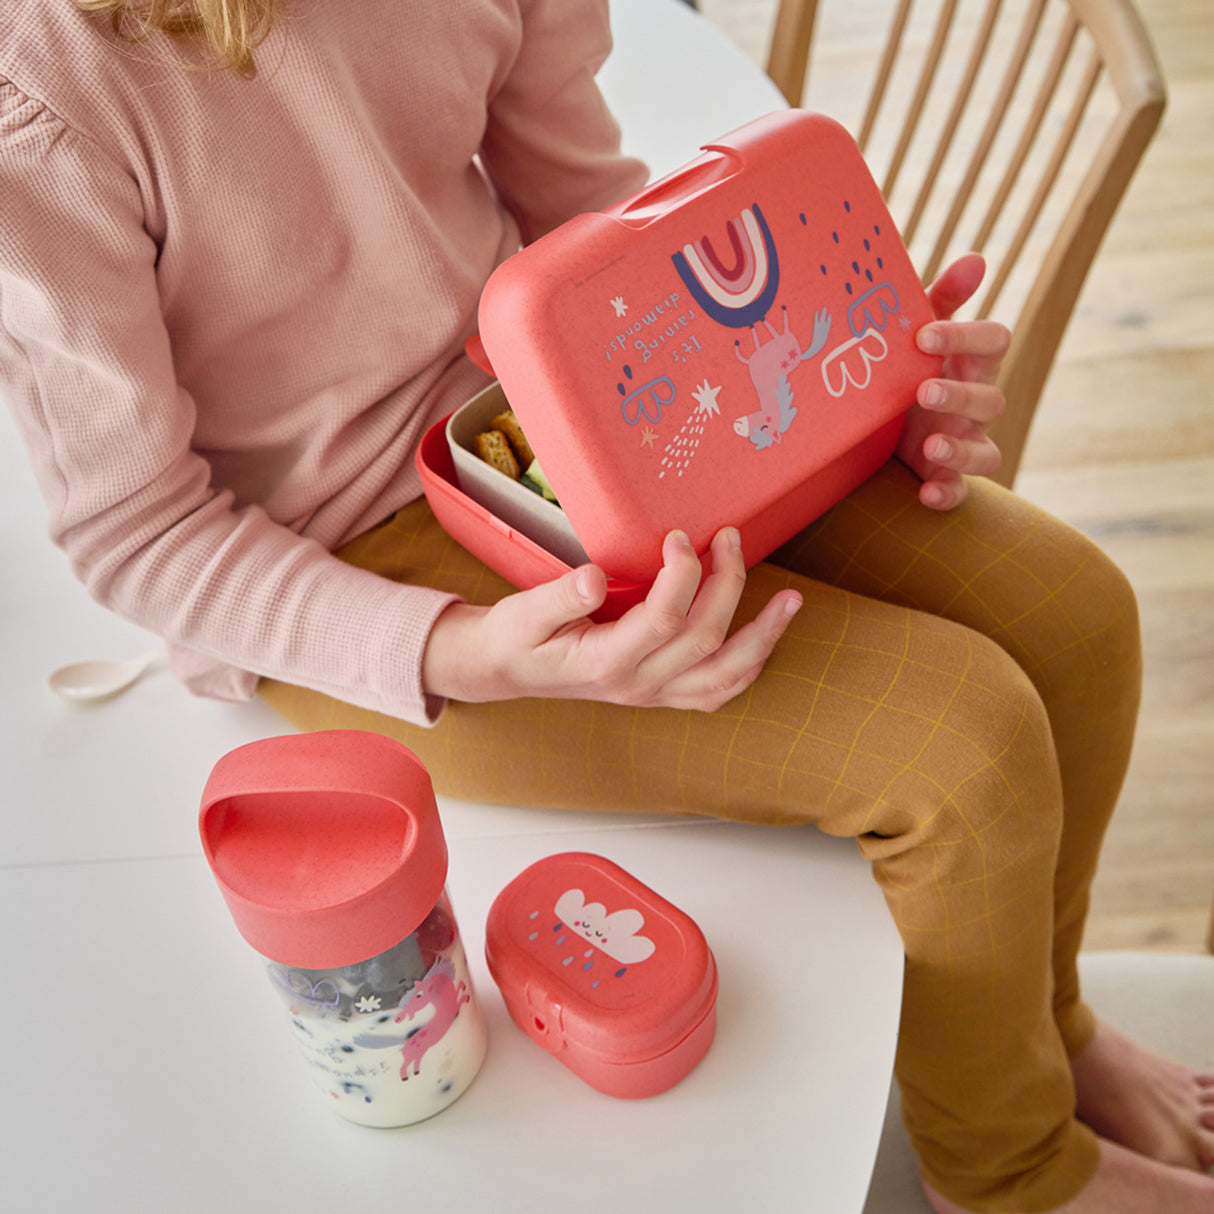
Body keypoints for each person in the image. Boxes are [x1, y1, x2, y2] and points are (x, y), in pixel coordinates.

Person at [1, 2, 1211, 1210]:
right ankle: (1007, 1173)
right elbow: (137, 530)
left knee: (1075, 613)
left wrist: (846, 387)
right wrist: (462, 652)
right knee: (961, 744)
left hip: (552, 410)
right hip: (340, 558)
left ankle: (1041, 1025)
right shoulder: (43, 94)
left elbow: (586, 225)